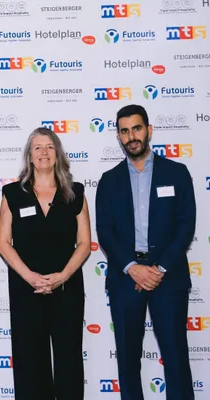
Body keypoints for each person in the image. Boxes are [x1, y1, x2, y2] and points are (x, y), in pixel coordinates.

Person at [96, 104, 195, 400]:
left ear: (149, 130)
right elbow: (105, 232)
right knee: (127, 360)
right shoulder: (109, 180)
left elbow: (185, 226)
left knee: (176, 358)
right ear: (118, 136)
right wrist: (133, 268)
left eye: (137, 128)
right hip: (126, 279)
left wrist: (159, 269)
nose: (132, 137)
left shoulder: (177, 173)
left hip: (169, 277)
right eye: (125, 131)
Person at [0, 127, 90, 400]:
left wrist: (63, 276)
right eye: (37, 148)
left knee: (68, 359)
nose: (44, 153)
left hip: (67, 289)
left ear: (58, 153)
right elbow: (3, 243)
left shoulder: (75, 192)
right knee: (29, 361)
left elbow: (85, 243)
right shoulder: (13, 193)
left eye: (49, 147)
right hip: (27, 289)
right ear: (29, 156)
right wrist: (30, 277)